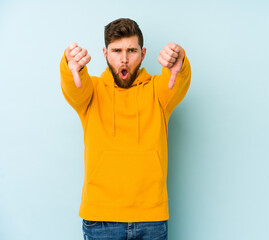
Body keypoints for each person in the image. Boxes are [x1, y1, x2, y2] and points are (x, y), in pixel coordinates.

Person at [60, 18, 191, 240]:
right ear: (105, 53)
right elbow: (74, 85)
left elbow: (176, 81)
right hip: (100, 220)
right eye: (116, 50)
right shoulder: (91, 91)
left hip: (151, 219)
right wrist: (69, 65)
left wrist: (180, 61)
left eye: (131, 50)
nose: (124, 58)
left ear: (142, 53)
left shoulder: (158, 92)